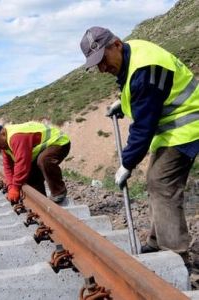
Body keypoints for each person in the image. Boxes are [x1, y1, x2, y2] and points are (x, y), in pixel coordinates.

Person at [80, 27, 199, 263]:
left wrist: (127, 163)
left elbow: (144, 126)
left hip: (187, 125)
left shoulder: (145, 69)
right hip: (171, 129)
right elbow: (145, 92)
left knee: (161, 182)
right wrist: (123, 104)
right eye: (97, 65)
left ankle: (175, 255)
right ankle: (157, 243)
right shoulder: (131, 52)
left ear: (116, 44)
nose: (102, 69)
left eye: (102, 60)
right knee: (156, 181)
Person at [0, 122, 70, 204]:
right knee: (30, 175)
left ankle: (59, 192)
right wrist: (11, 187)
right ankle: (41, 201)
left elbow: (22, 163)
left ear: (2, 133)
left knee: (44, 160)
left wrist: (16, 187)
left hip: (59, 141)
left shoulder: (16, 137)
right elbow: (8, 168)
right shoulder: (4, 146)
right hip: (43, 148)